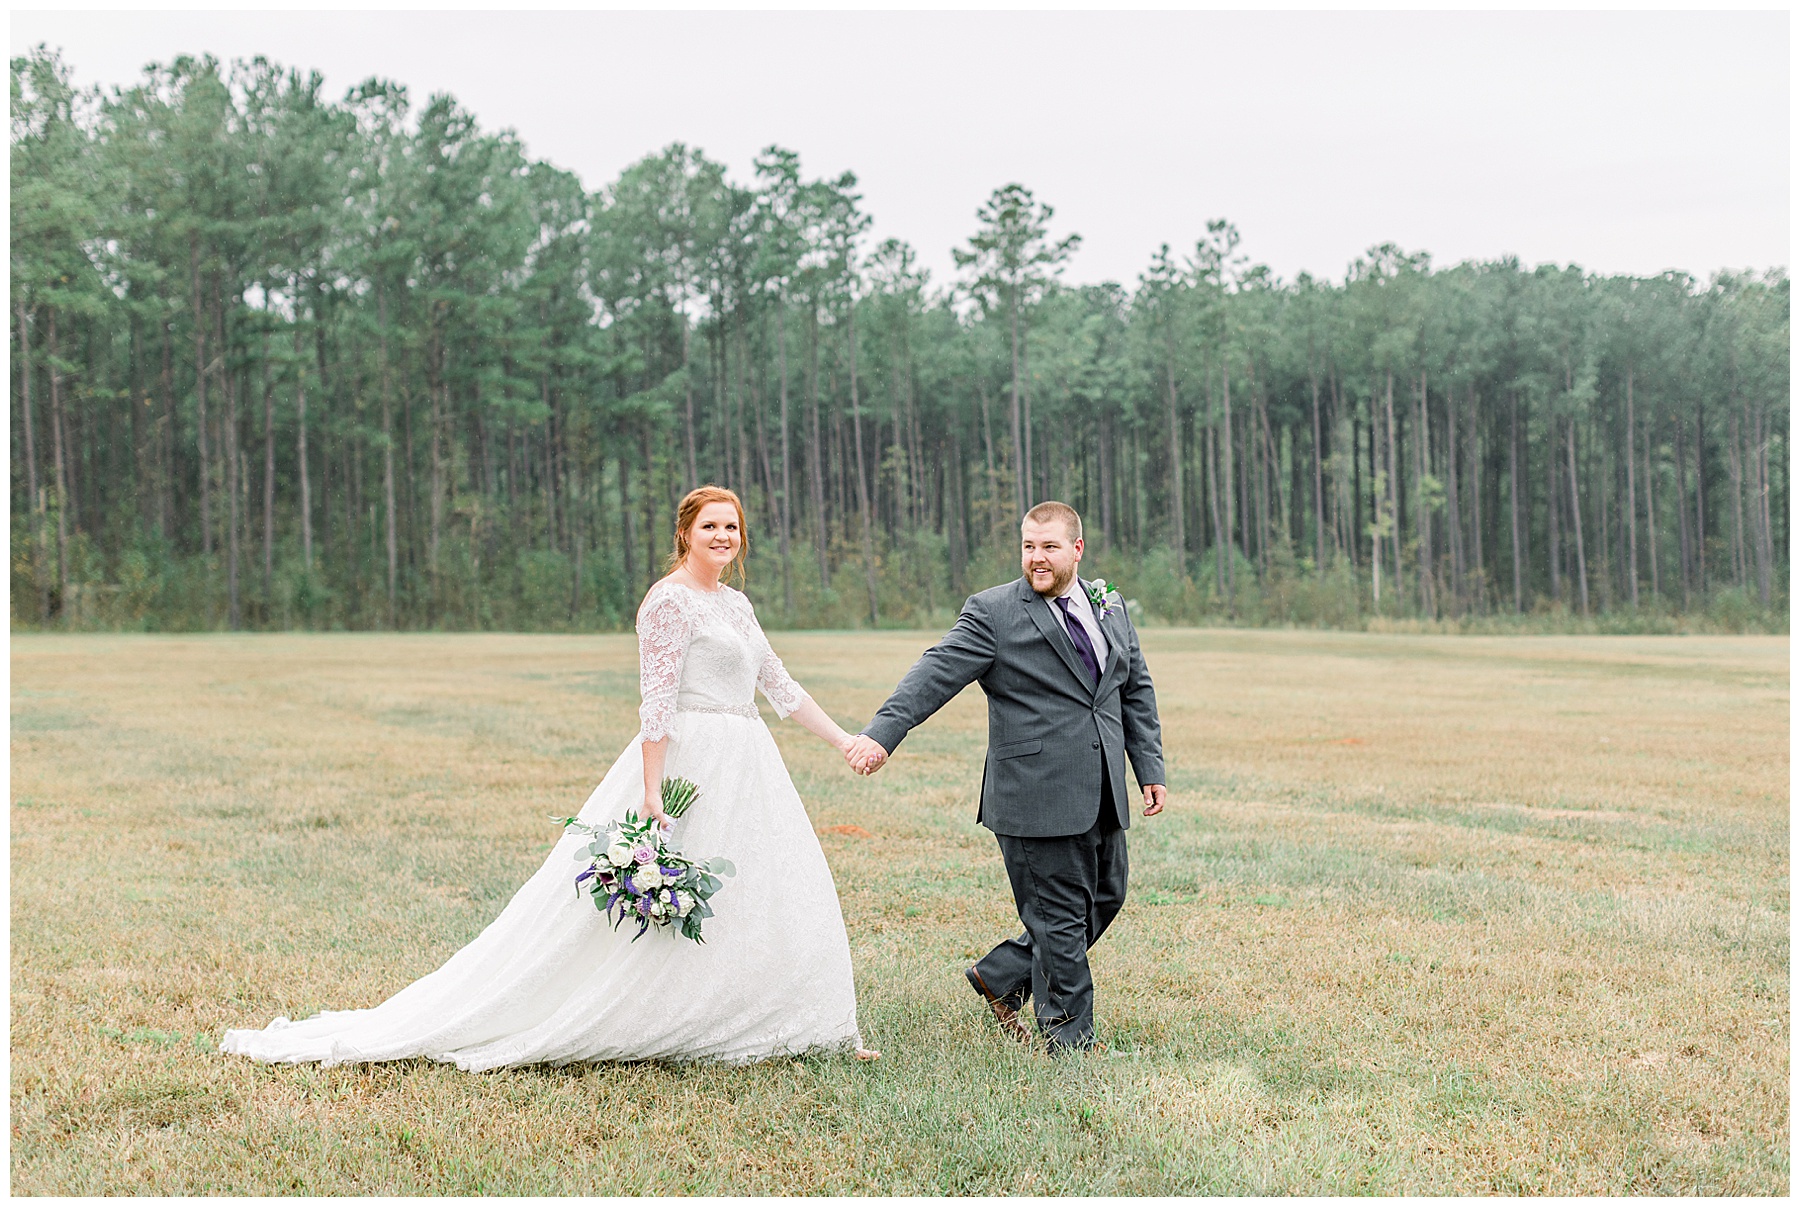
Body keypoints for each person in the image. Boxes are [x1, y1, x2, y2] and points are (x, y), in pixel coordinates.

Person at [222, 486, 879, 1068]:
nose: (723, 537)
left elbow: (781, 689)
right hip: (690, 762)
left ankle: (793, 1021)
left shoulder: (737, 603)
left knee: (773, 885)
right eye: (710, 525)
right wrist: (651, 791)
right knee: (660, 899)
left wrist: (846, 738)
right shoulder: (668, 603)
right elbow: (655, 701)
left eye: (731, 527)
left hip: (750, 762)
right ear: (685, 533)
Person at [846, 501, 1165, 1054]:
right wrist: (882, 733)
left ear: (1077, 550)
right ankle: (1069, 1044)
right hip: (1034, 796)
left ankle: (1001, 976)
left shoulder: (1108, 605)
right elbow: (935, 671)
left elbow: (1133, 687)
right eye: (1027, 546)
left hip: (1103, 790)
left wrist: (1148, 766)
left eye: (1048, 547)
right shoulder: (993, 612)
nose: (1036, 558)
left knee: (1105, 899)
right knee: (1060, 921)